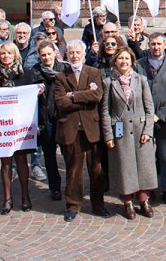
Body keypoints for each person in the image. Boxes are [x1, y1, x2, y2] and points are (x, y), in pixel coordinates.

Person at [55, 40, 111, 222]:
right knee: (73, 170)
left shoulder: (94, 73)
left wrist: (73, 95)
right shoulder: (61, 77)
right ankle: (73, 205)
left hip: (91, 128)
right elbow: (61, 102)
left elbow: (97, 95)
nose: (74, 56)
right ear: (67, 55)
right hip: (71, 128)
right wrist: (83, 96)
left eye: (77, 52)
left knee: (96, 169)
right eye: (71, 53)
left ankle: (98, 204)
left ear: (83, 54)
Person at [101, 47, 156, 220]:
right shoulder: (109, 83)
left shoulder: (141, 80)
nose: (124, 62)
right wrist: (108, 135)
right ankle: (127, 202)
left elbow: (149, 108)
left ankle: (144, 200)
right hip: (121, 132)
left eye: (127, 58)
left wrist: (148, 130)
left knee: (144, 167)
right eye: (120, 59)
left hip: (141, 131)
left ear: (132, 61)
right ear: (115, 61)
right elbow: (105, 111)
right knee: (125, 168)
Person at [0, 42, 42, 215]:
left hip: (21, 124)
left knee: (21, 161)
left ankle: (25, 196)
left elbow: (32, 99)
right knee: (5, 162)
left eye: (9, 53)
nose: (6, 56)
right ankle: (7, 198)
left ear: (15, 55)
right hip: (2, 124)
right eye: (3, 54)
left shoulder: (25, 73)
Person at [139, 33, 166, 206]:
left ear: (165, 45)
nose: (156, 47)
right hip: (143, 118)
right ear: (148, 45)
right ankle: (146, 190)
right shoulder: (139, 65)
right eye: (152, 44)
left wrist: (161, 114)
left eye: (159, 44)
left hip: (165, 119)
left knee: (165, 156)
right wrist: (147, 115)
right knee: (145, 156)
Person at [31, 39, 65, 201]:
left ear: (54, 53)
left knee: (68, 154)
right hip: (46, 120)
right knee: (50, 156)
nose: (46, 58)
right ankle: (55, 187)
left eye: (49, 54)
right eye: (43, 55)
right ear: (39, 56)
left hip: (63, 118)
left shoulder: (64, 69)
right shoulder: (35, 72)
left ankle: (71, 186)